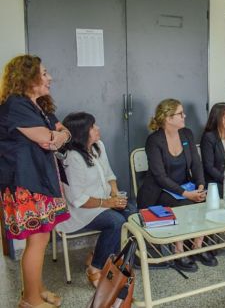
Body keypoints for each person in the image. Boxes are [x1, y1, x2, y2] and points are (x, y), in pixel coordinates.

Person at [0, 55, 71, 308]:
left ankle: (36, 289)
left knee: (39, 240)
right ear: (27, 77)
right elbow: (49, 137)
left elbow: (63, 132)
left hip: (40, 180)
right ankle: (29, 300)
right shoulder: (15, 105)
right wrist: (54, 136)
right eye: (44, 73)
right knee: (37, 241)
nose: (49, 78)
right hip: (25, 183)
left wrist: (57, 135)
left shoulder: (39, 105)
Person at [137, 98, 217, 271]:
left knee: (207, 199)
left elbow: (196, 163)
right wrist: (186, 194)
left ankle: (197, 245)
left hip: (184, 186)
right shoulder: (154, 140)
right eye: (180, 113)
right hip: (158, 190)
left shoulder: (186, 133)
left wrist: (201, 186)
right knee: (184, 204)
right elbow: (159, 176)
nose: (184, 116)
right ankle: (178, 250)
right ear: (168, 118)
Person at [56, 112, 134, 288]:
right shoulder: (72, 157)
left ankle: (108, 259)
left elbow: (109, 174)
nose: (97, 128)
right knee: (116, 222)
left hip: (104, 202)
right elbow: (77, 199)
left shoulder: (98, 145)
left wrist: (114, 194)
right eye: (93, 126)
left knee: (132, 213)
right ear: (81, 132)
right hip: (80, 211)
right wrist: (108, 203)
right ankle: (95, 268)